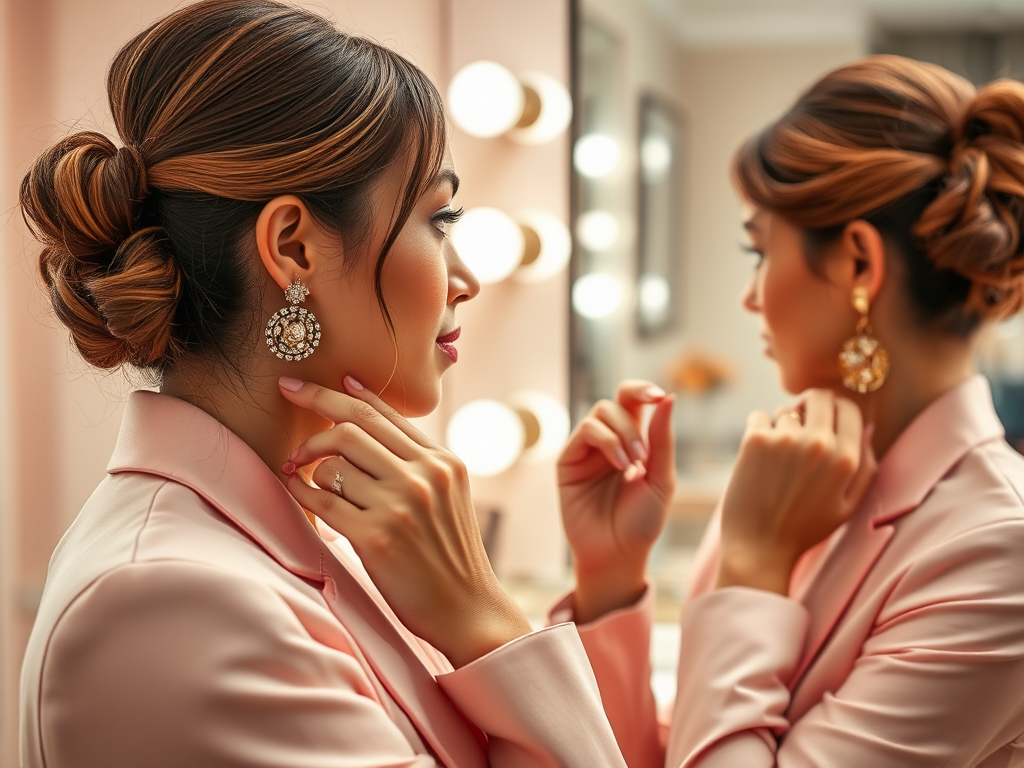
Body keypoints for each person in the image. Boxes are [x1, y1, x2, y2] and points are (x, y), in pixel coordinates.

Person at [18, 2, 629, 766]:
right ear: (293, 247)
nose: (467, 279)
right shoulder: (170, 604)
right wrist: (488, 623)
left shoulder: (317, 534)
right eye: (440, 221)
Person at [557, 55, 1024, 767]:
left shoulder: (998, 552)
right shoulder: (783, 477)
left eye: (759, 249)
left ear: (859, 266)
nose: (751, 297)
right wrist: (610, 576)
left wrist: (751, 565)